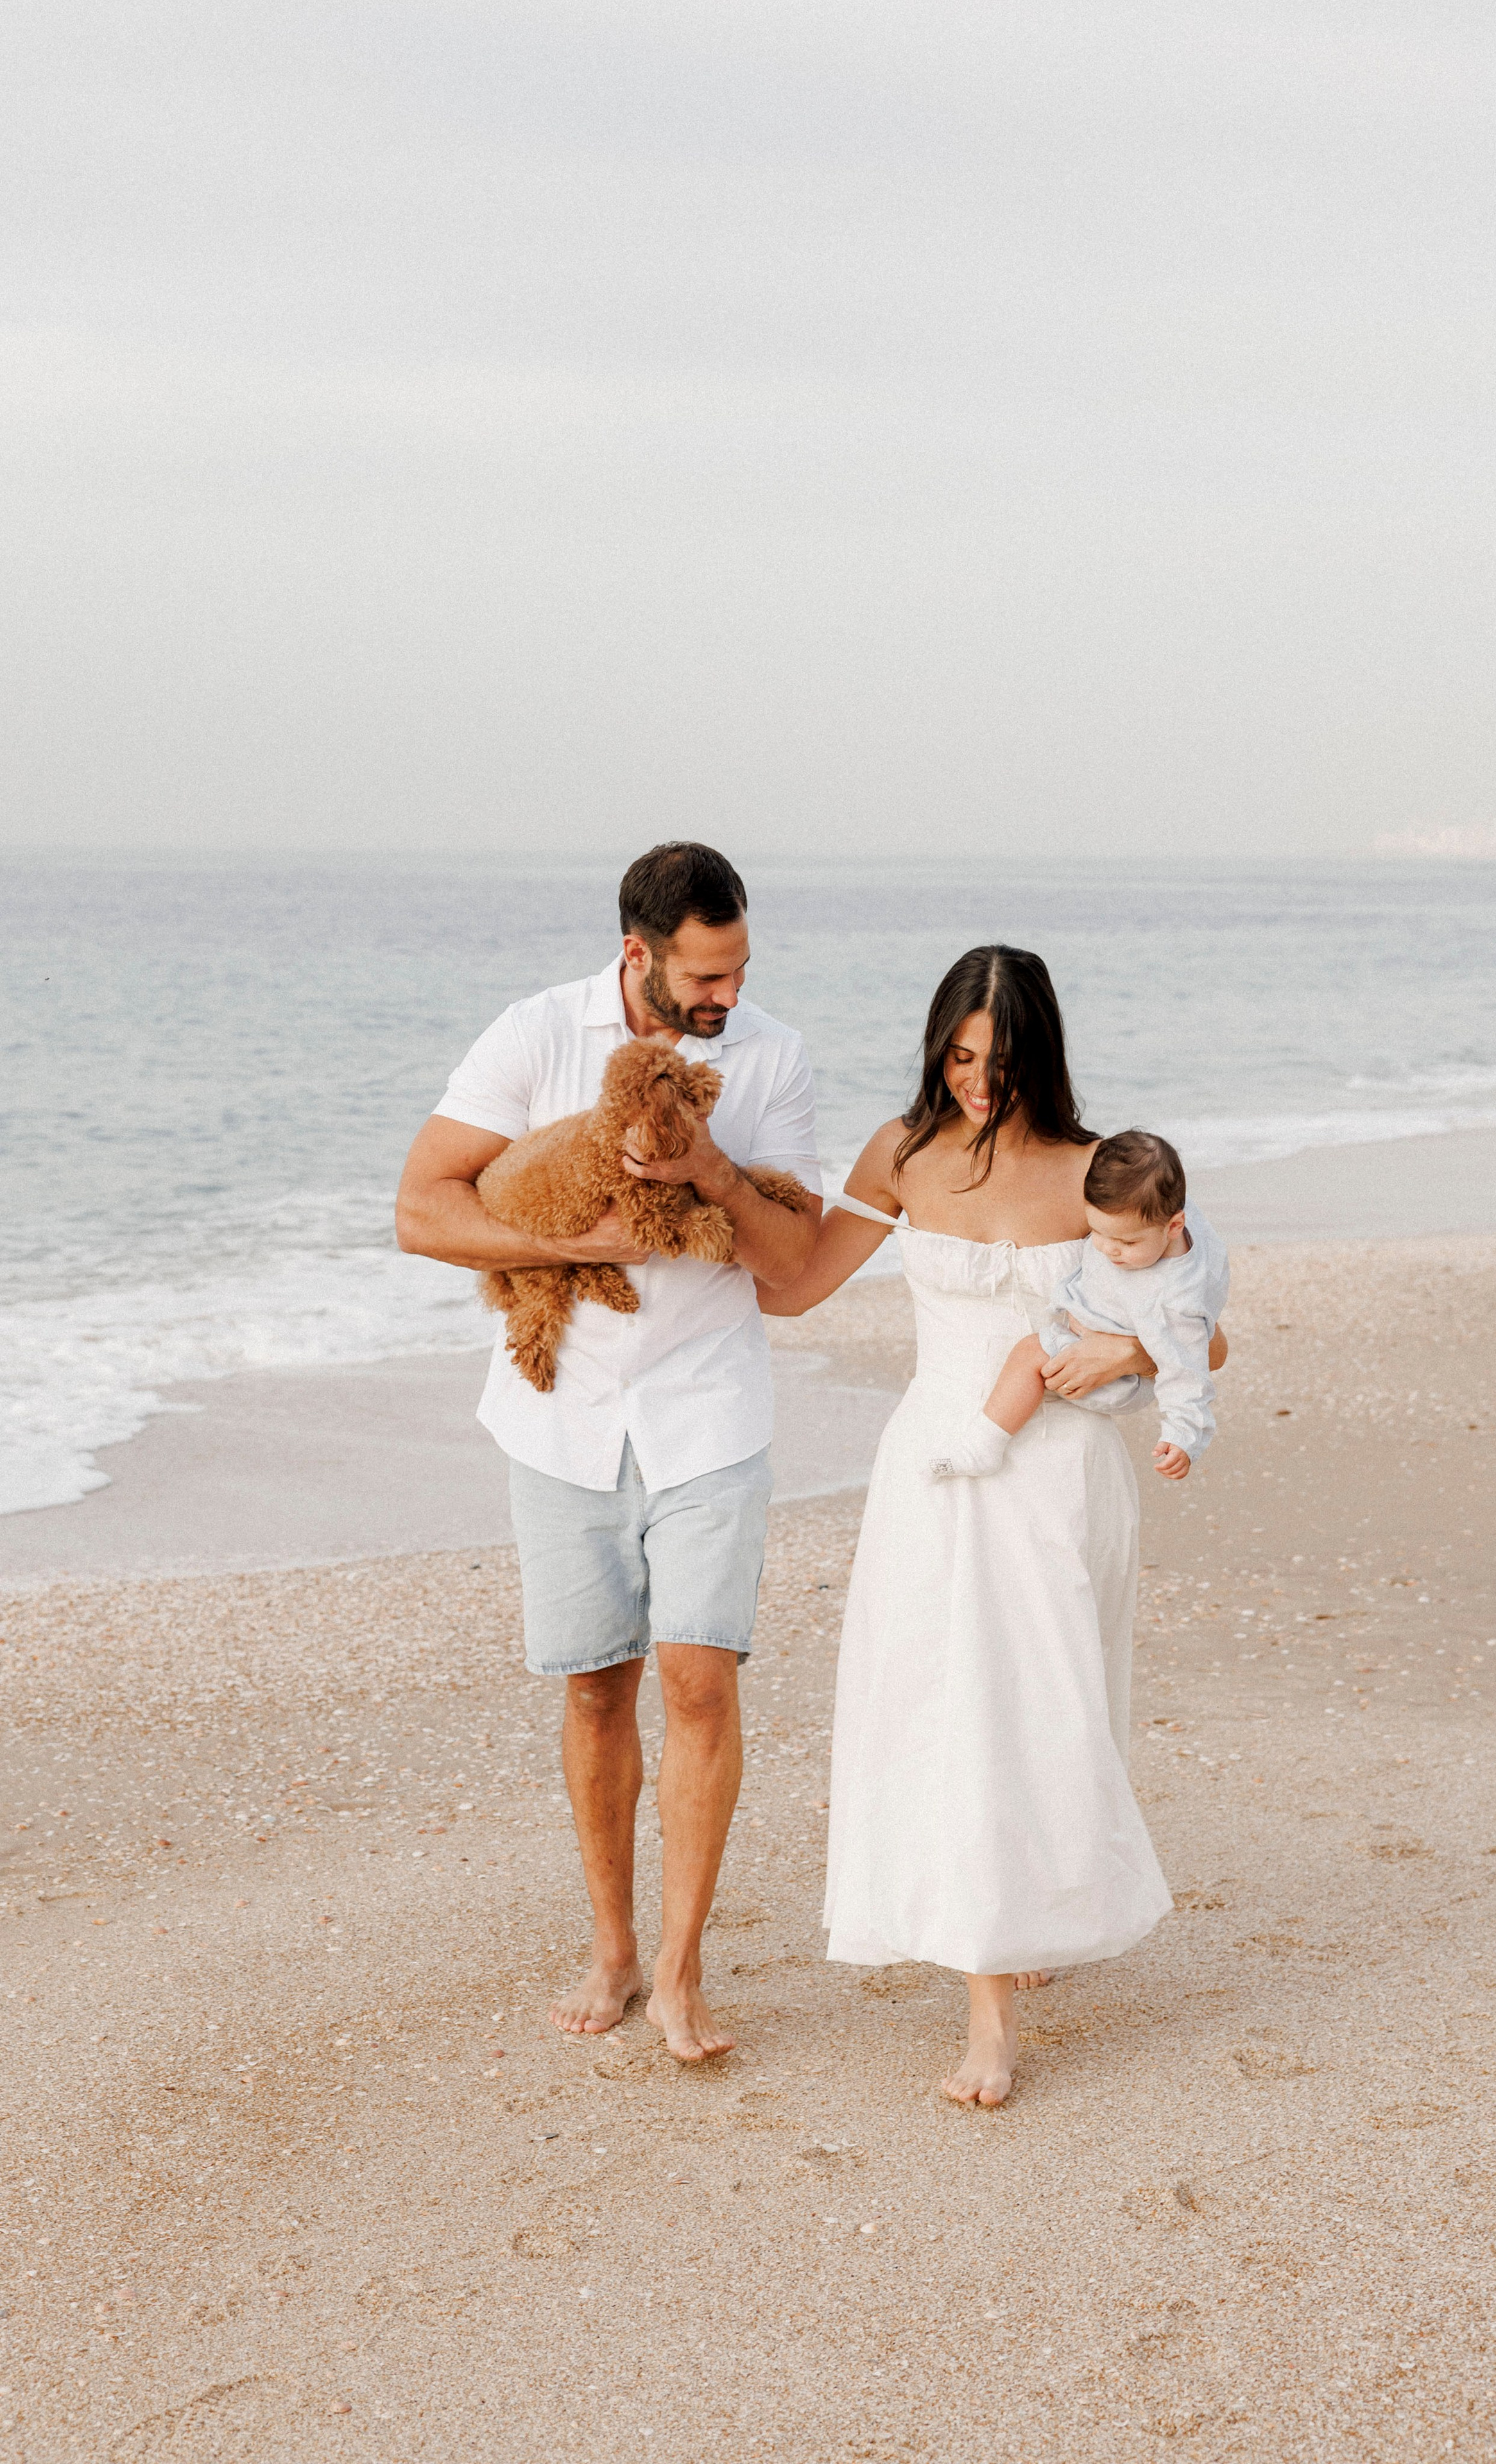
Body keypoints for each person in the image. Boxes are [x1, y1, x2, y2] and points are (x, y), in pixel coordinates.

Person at [759, 947, 1226, 2107]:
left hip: (1063, 1472)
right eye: (961, 1055)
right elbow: (795, 1285)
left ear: (1040, 1056)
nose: (976, 1080)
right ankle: (987, 2005)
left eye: (1000, 1059)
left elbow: (1205, 1334)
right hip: (938, 1461)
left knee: (1052, 1712)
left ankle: (1034, 1914)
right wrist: (705, 1183)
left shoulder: (1097, 1170)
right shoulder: (900, 1154)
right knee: (955, 1711)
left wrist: (1122, 1349)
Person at [396, 844, 821, 2060]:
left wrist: (708, 1171)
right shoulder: (535, 1034)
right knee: (595, 1688)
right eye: (706, 976)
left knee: (700, 1681)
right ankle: (614, 1948)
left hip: (709, 1410)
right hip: (562, 1416)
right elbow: (422, 1208)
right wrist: (577, 1244)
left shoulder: (773, 1056)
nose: (729, 996)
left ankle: (681, 1969)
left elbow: (791, 1271)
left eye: (740, 970)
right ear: (638, 955)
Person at [927, 1128, 1230, 1485]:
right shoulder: (1158, 1210)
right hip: (1109, 1320)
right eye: (1097, 1231)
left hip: (1119, 1382)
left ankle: (983, 1446)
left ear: (1175, 1225)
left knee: (1029, 1353)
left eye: (1127, 1242)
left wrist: (1183, 1437)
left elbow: (1187, 1370)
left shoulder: (1175, 1301)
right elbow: (1149, 1176)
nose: (1108, 1248)